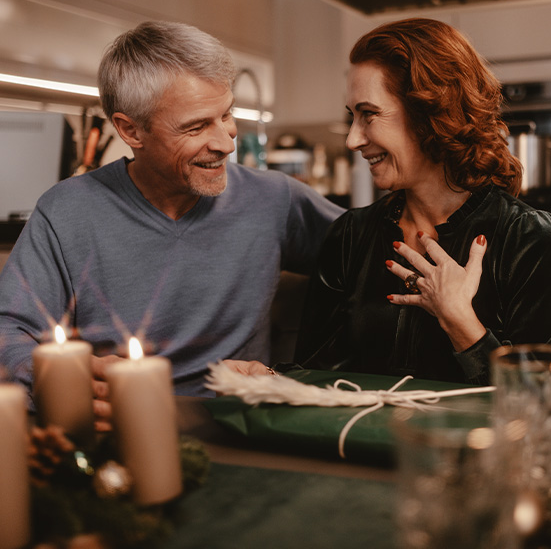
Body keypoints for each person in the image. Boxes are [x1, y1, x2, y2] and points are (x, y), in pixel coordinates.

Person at [0, 21, 343, 428]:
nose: (226, 143)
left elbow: (370, 260)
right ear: (130, 130)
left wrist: (286, 377)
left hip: (242, 428)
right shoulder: (67, 211)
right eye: (196, 127)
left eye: (227, 114)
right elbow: (10, 328)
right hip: (121, 428)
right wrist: (63, 380)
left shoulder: (275, 199)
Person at [291, 18, 551, 386]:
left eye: (369, 114)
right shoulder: (350, 235)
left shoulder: (529, 241)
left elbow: (547, 406)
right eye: (353, 117)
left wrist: (461, 322)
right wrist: (267, 378)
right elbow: (315, 379)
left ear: (431, 113)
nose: (352, 140)